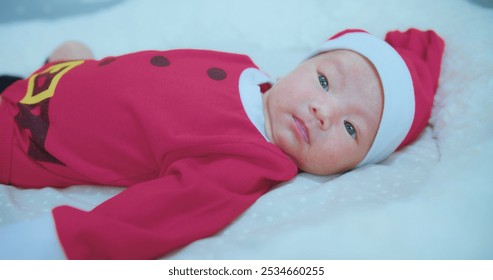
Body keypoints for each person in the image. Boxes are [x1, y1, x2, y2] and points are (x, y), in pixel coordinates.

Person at [0, 28, 445, 259]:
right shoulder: (245, 69)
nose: (324, 112)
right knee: (75, 53)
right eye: (325, 80)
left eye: (351, 130)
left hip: (25, 133)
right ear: (299, 66)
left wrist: (52, 245)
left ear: (357, 165)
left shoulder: (250, 160)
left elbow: (151, 218)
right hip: (53, 81)